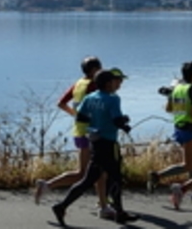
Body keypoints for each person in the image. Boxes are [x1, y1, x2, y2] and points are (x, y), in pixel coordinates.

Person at [52, 70, 139, 227]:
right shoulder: (113, 99)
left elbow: (81, 117)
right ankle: (119, 213)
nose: (115, 84)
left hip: (95, 141)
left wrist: (96, 122)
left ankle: (61, 206)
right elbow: (117, 120)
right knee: (116, 177)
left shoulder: (90, 97)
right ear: (108, 84)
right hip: (109, 142)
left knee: (88, 179)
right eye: (113, 81)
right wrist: (125, 123)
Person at [35, 57, 111, 219]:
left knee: (85, 173)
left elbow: (61, 103)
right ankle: (103, 207)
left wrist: (75, 115)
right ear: (93, 70)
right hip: (91, 133)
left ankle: (47, 185)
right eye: (100, 68)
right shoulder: (93, 85)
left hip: (79, 131)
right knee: (95, 173)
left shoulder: (78, 84)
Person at [147, 61, 192, 204]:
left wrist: (182, 111)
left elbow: (168, 109)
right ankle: (157, 176)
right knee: (188, 165)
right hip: (189, 127)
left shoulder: (176, 88)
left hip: (178, 126)